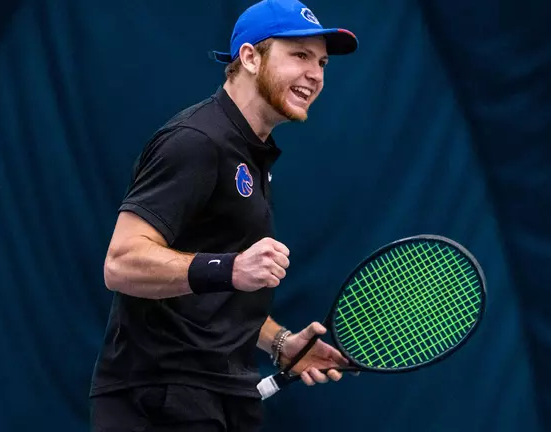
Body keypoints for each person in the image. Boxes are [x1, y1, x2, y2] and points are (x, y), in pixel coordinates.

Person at [88, 0, 359, 430]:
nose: (316, 75)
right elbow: (120, 263)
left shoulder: (251, 155)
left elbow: (208, 298)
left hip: (223, 396)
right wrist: (232, 267)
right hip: (162, 398)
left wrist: (280, 343)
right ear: (250, 57)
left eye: (322, 62)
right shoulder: (196, 141)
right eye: (301, 55)